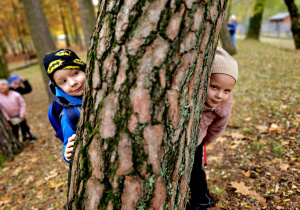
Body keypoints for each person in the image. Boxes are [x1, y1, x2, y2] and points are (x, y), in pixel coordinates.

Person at [188, 47, 238, 210]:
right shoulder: (190, 94)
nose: (220, 95)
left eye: (227, 91)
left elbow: (217, 128)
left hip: (198, 140)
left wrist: (204, 143)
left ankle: (202, 200)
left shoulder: (223, 107)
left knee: (195, 171)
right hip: (183, 137)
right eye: (214, 87)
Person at [43, 49, 86, 163]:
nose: (73, 83)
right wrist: (67, 155)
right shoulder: (69, 115)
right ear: (57, 86)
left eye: (75, 73)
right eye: (63, 81)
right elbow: (68, 146)